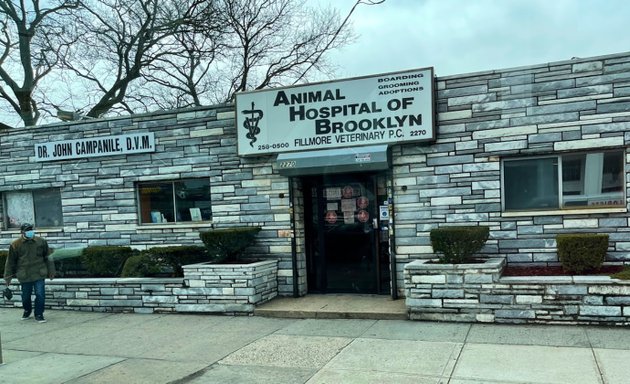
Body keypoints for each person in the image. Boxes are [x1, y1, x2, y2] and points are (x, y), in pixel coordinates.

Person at [3, 223, 55, 323]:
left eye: (31, 229)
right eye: (27, 230)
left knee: (40, 294)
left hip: (39, 273)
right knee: (25, 296)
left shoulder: (41, 242)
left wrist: (51, 271)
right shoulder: (15, 244)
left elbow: (48, 257)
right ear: (22, 232)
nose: (30, 231)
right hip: (24, 274)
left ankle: (39, 314)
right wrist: (8, 277)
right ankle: (27, 310)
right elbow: (10, 261)